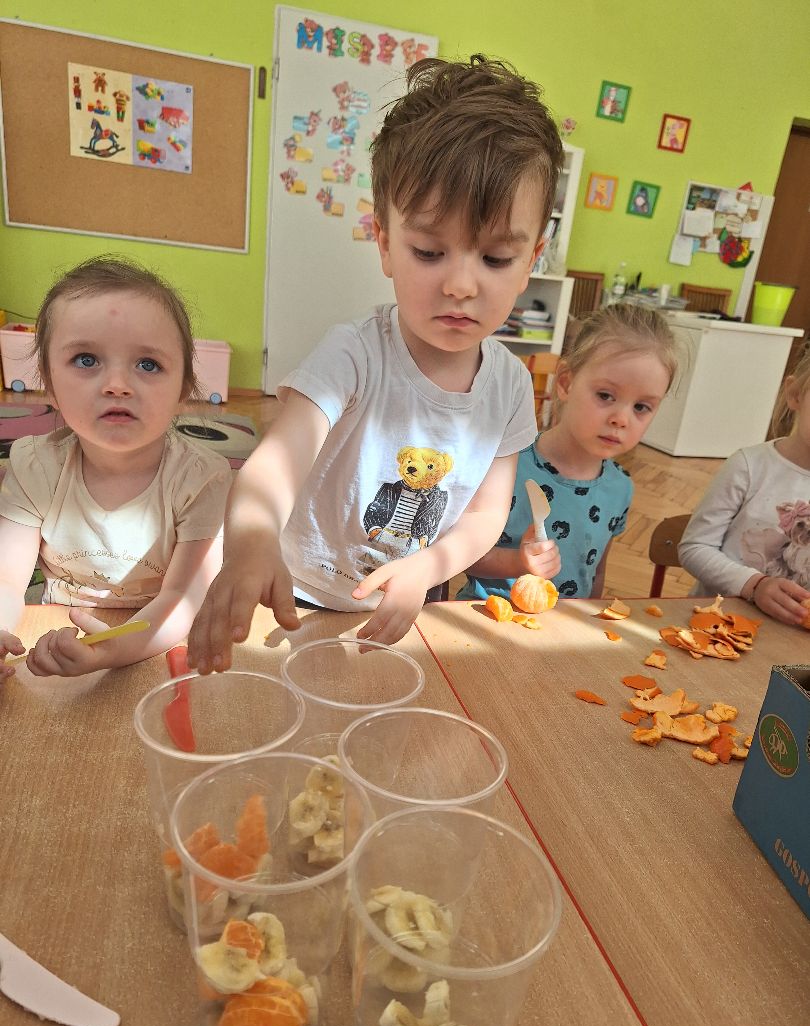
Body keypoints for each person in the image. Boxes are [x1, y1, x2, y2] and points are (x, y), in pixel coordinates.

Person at [187, 54, 564, 672]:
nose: (461, 285)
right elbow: (272, 466)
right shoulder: (353, 354)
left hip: (407, 597)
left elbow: (484, 514)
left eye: (496, 259)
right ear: (386, 243)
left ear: (531, 262)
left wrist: (429, 567)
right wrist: (252, 543)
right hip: (295, 590)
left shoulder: (511, 385)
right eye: (430, 251)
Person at [0, 256, 231, 679]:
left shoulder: (202, 479)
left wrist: (109, 652)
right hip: (53, 632)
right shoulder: (34, 466)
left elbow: (184, 596)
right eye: (86, 360)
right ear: (48, 382)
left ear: (184, 388)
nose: (117, 385)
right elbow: (6, 580)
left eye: (148, 364)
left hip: (156, 642)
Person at [459, 304, 679, 602]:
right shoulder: (507, 463)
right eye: (605, 395)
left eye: (641, 407)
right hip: (486, 618)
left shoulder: (620, 488)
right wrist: (518, 562)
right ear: (565, 382)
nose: (621, 419)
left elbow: (595, 574)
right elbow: (462, 557)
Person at [679, 343, 810, 626]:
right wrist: (754, 584)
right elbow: (695, 547)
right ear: (795, 395)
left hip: (793, 638)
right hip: (716, 625)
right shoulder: (749, 466)